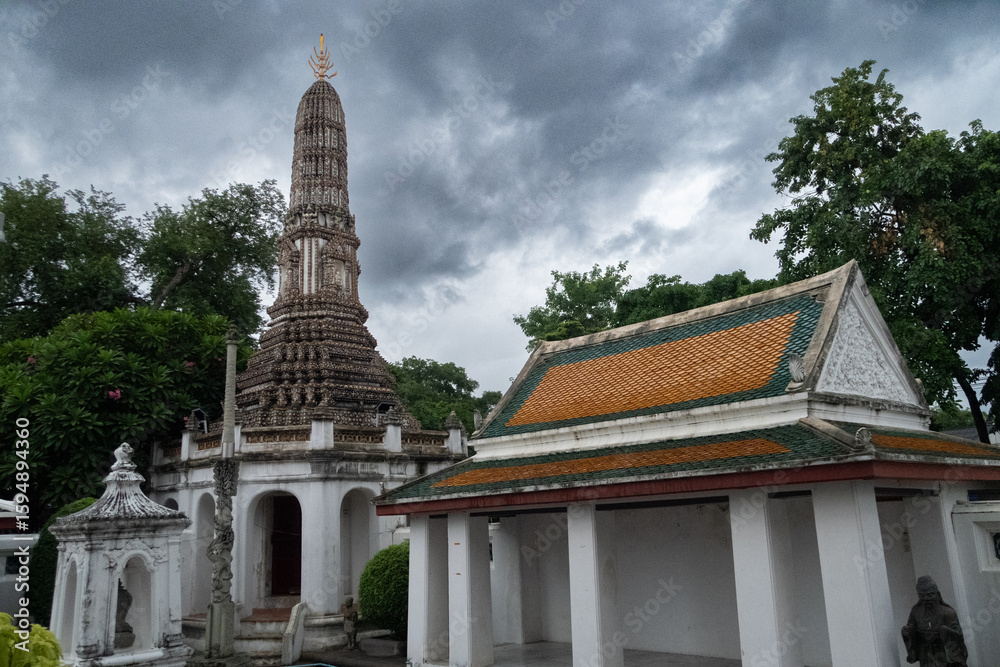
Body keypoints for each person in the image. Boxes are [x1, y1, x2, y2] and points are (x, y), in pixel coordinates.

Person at [901, 576, 968, 667]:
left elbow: (958, 635)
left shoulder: (948, 612)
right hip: (925, 653)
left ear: (937, 594)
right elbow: (911, 629)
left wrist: (945, 631)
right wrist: (907, 633)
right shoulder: (916, 611)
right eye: (922, 596)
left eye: (930, 595)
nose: (926, 599)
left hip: (943, 651)